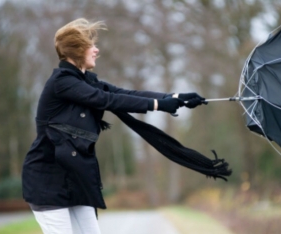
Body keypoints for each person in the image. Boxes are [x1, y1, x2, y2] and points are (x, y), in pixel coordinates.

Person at [21, 18, 206, 234]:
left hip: (75, 179)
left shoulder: (84, 81)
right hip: (48, 182)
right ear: (78, 49)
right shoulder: (62, 82)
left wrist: (175, 97)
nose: (96, 50)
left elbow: (123, 94)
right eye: (91, 45)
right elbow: (107, 100)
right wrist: (158, 105)